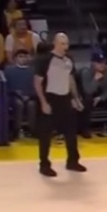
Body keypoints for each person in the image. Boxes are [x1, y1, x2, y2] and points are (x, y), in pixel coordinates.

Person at [33, 33, 86, 177]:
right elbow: (37, 83)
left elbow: (70, 79)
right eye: (62, 44)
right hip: (50, 98)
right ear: (55, 44)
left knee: (71, 132)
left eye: (67, 44)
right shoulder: (45, 60)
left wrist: (75, 98)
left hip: (65, 98)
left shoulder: (69, 60)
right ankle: (44, 164)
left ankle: (72, 161)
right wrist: (43, 102)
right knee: (46, 134)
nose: (65, 47)